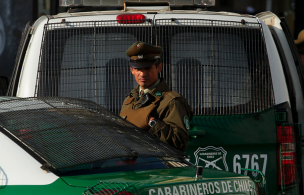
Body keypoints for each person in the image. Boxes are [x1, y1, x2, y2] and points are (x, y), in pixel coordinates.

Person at [120, 41, 192, 152]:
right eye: (138, 69)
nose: (142, 74)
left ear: (159, 68)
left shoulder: (171, 101)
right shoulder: (129, 100)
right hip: (131, 164)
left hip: (158, 166)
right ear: (132, 70)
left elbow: (180, 142)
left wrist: (152, 122)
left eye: (148, 68)